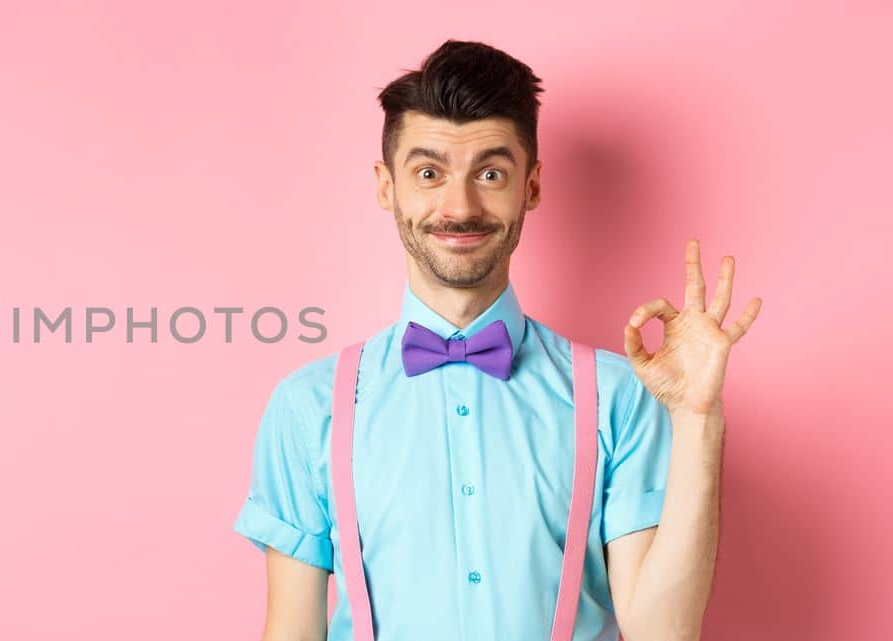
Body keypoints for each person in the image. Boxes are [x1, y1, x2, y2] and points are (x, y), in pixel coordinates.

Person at [231, 39, 762, 641]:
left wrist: (698, 420)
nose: (459, 206)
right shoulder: (308, 407)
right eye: (429, 173)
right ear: (387, 187)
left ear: (530, 188)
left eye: (490, 173)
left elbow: (662, 635)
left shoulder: (620, 396)